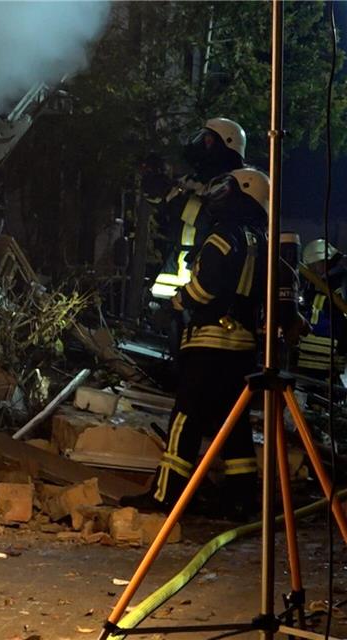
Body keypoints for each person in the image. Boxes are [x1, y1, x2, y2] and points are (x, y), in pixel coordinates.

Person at [124, 168, 270, 520]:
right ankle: (242, 501)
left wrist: (174, 303)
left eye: (227, 190)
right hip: (243, 348)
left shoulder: (224, 236)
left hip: (209, 343)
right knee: (232, 427)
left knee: (185, 417)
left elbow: (204, 288)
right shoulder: (260, 239)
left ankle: (166, 495)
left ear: (242, 195)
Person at [145, 118, 247, 301]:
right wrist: (155, 186)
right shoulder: (197, 179)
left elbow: (209, 218)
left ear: (227, 145)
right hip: (179, 267)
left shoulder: (235, 185)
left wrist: (174, 200)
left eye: (209, 139)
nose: (203, 144)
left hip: (206, 269)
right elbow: (166, 206)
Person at [296, 239, 347, 378]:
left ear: (324, 260)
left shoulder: (341, 280)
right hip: (312, 353)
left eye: (313, 265)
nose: (311, 270)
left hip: (331, 352)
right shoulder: (317, 282)